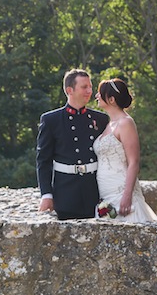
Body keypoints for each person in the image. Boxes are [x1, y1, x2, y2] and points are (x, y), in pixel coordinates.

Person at [36, 71, 108, 221]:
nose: (89, 91)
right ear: (70, 90)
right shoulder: (51, 120)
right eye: (84, 87)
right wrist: (47, 194)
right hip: (66, 190)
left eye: (90, 86)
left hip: (95, 190)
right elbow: (43, 161)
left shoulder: (100, 119)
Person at [92, 77, 157, 224]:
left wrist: (127, 196)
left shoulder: (126, 123)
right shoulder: (109, 124)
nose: (96, 96)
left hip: (121, 192)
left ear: (111, 99)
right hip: (106, 193)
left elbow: (133, 161)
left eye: (99, 93)